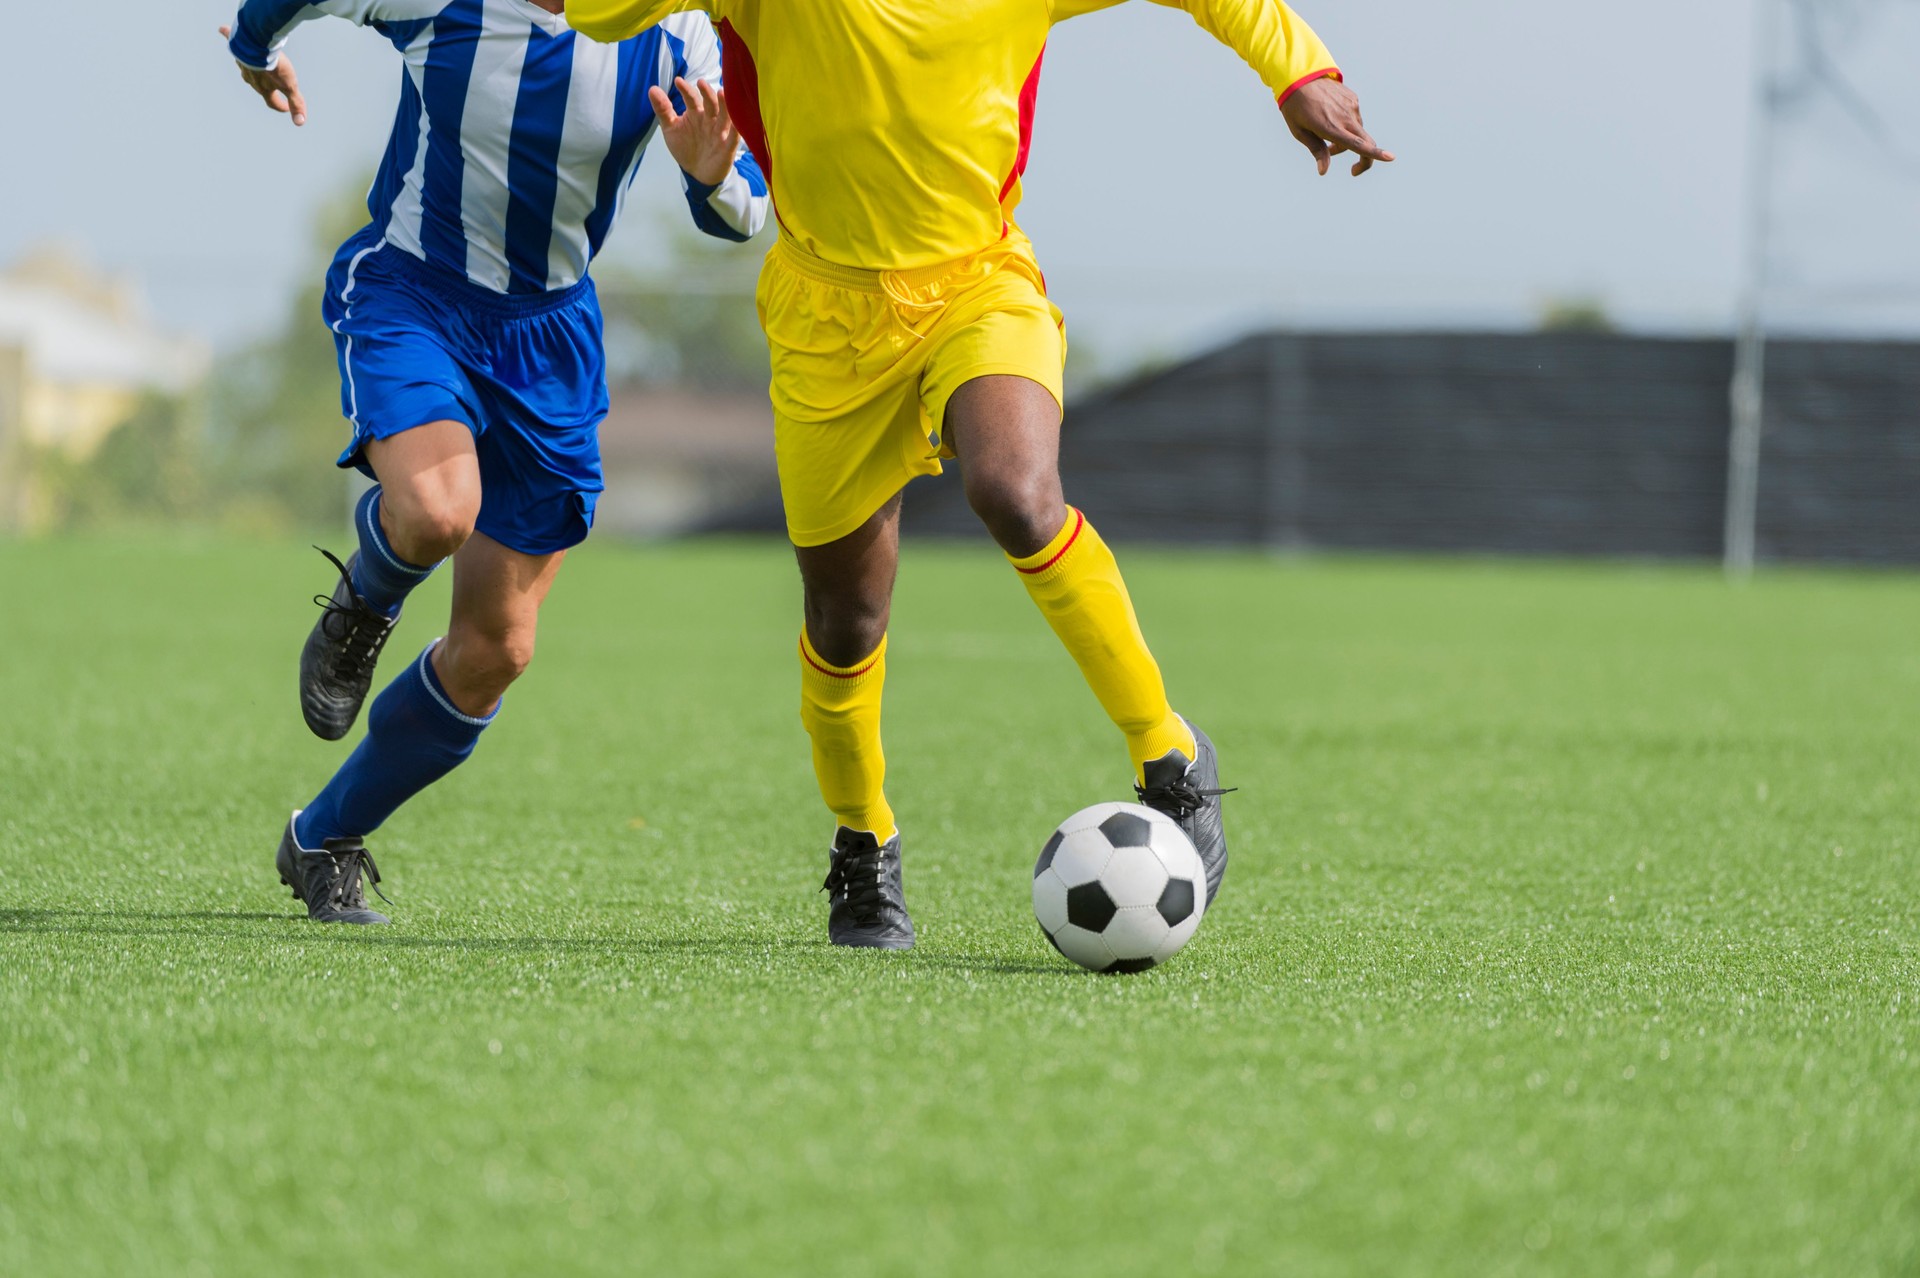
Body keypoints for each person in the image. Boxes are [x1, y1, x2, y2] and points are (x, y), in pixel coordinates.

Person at [570, 0, 1393, 949]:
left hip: (977, 285)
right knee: (845, 619)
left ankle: (1169, 754)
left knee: (1015, 492)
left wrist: (1301, 73)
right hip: (826, 319)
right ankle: (865, 845)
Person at [223, 0, 767, 923]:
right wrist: (253, 49)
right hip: (415, 296)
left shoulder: (679, 31)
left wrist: (713, 178)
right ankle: (370, 592)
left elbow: (746, 206)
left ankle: (323, 838)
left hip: (549, 344)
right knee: (439, 510)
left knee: (496, 651)